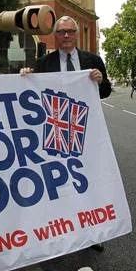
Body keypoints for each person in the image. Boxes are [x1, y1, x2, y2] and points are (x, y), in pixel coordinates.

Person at [20, 15, 111, 251]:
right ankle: (59, 229)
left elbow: (106, 92)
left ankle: (92, 232)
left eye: (70, 31)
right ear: (55, 35)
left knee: (86, 180)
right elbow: (30, 93)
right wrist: (25, 77)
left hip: (85, 131)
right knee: (58, 181)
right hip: (54, 132)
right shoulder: (44, 63)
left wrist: (100, 81)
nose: (66, 36)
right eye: (62, 32)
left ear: (76, 34)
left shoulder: (92, 60)